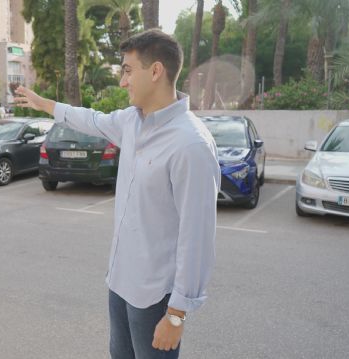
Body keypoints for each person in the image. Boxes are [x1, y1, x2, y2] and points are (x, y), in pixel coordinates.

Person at [15, 29, 220, 359]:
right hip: (120, 282)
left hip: (155, 297)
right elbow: (91, 120)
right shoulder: (131, 121)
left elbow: (196, 237)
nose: (122, 82)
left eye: (127, 70)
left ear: (155, 71)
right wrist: (44, 105)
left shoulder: (191, 144)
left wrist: (177, 314)